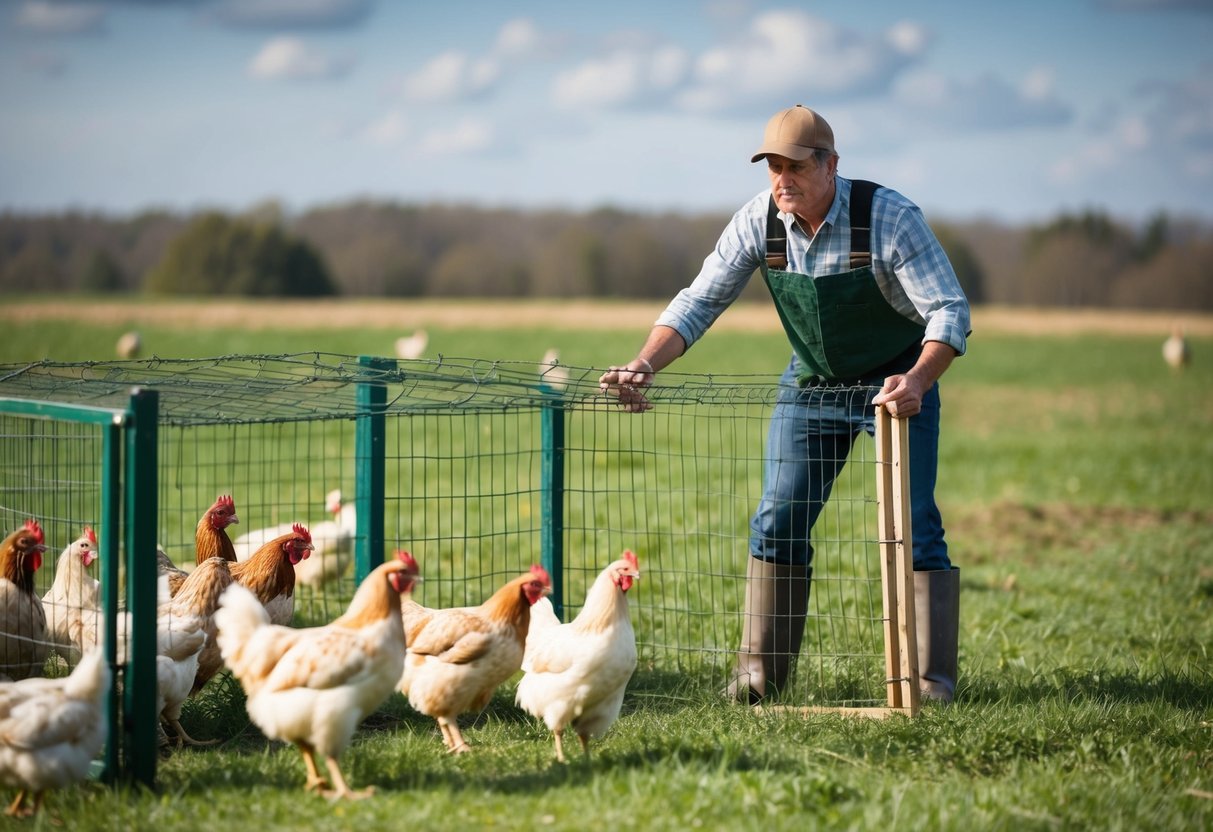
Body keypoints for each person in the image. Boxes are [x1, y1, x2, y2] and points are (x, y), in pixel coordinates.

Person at [599, 104, 970, 705]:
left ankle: (931, 684)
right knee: (777, 518)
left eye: (795, 165)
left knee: (915, 525)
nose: (781, 178)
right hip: (812, 381)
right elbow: (699, 301)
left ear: (831, 166)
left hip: (898, 383)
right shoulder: (758, 221)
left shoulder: (890, 218)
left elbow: (950, 310)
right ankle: (759, 676)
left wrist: (920, 380)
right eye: (772, 165)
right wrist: (644, 363)